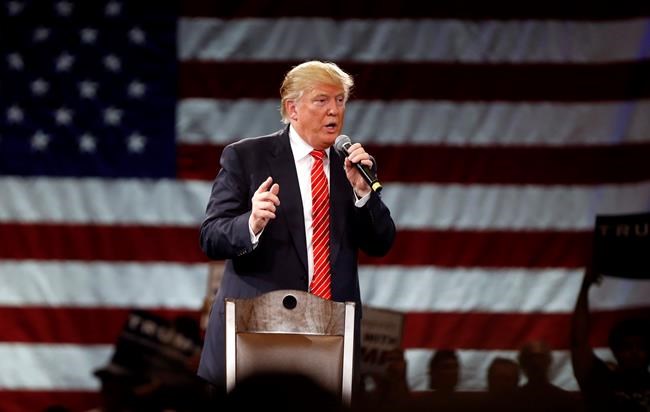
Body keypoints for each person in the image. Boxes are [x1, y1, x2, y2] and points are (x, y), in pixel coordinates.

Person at [197, 60, 396, 394]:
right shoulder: (247, 157)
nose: (334, 110)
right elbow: (211, 237)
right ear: (293, 109)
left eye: (340, 100)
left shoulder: (352, 167)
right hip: (257, 333)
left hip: (330, 338)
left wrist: (364, 195)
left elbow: (381, 243)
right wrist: (251, 223)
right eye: (322, 100)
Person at [571, 269, 650, 411]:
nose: (635, 352)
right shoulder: (601, 382)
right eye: (627, 347)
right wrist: (584, 288)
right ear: (616, 351)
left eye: (641, 347)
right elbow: (578, 341)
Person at [515, 339, 579, 412]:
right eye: (531, 358)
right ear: (523, 362)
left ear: (548, 361)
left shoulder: (566, 399)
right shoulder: (512, 400)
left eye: (540, 357)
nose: (536, 362)